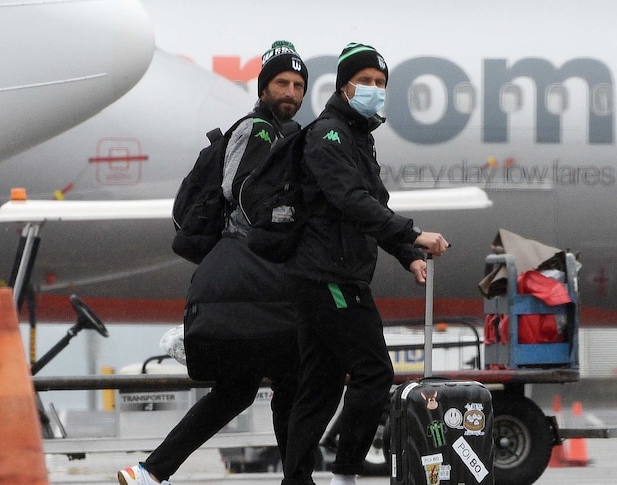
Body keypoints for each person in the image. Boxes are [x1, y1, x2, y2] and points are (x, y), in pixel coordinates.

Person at [118, 40, 312, 485]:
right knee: (290, 378)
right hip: (257, 271)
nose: (290, 92)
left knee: (241, 390)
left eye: (298, 85)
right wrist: (281, 227)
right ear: (265, 87)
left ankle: (150, 471)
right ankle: (296, 479)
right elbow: (239, 190)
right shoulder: (259, 129)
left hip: (249, 276)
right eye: (282, 82)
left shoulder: (282, 132)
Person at [279, 43, 449, 485]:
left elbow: (376, 204)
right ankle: (346, 470)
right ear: (344, 85)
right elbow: (351, 201)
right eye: (366, 82)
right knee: (374, 372)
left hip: (326, 274)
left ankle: (297, 479)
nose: (374, 90)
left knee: (320, 385)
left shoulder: (357, 136)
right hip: (328, 275)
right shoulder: (329, 135)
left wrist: (408, 256)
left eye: (381, 83)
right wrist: (413, 235)